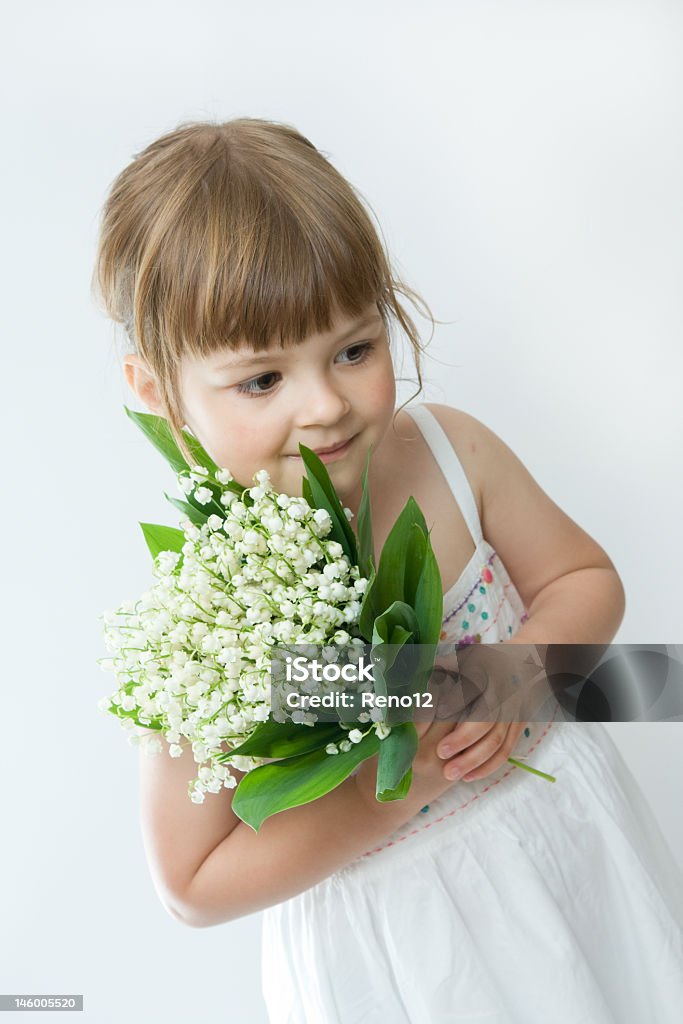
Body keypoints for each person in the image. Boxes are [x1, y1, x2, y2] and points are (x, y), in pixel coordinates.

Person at [91, 117, 683, 1023]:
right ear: (156, 390)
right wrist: (382, 793)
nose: (325, 404)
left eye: (354, 350)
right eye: (261, 381)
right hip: (413, 949)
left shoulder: (450, 452)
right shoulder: (205, 623)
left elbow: (584, 578)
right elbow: (192, 882)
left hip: (569, 848)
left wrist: (526, 668)